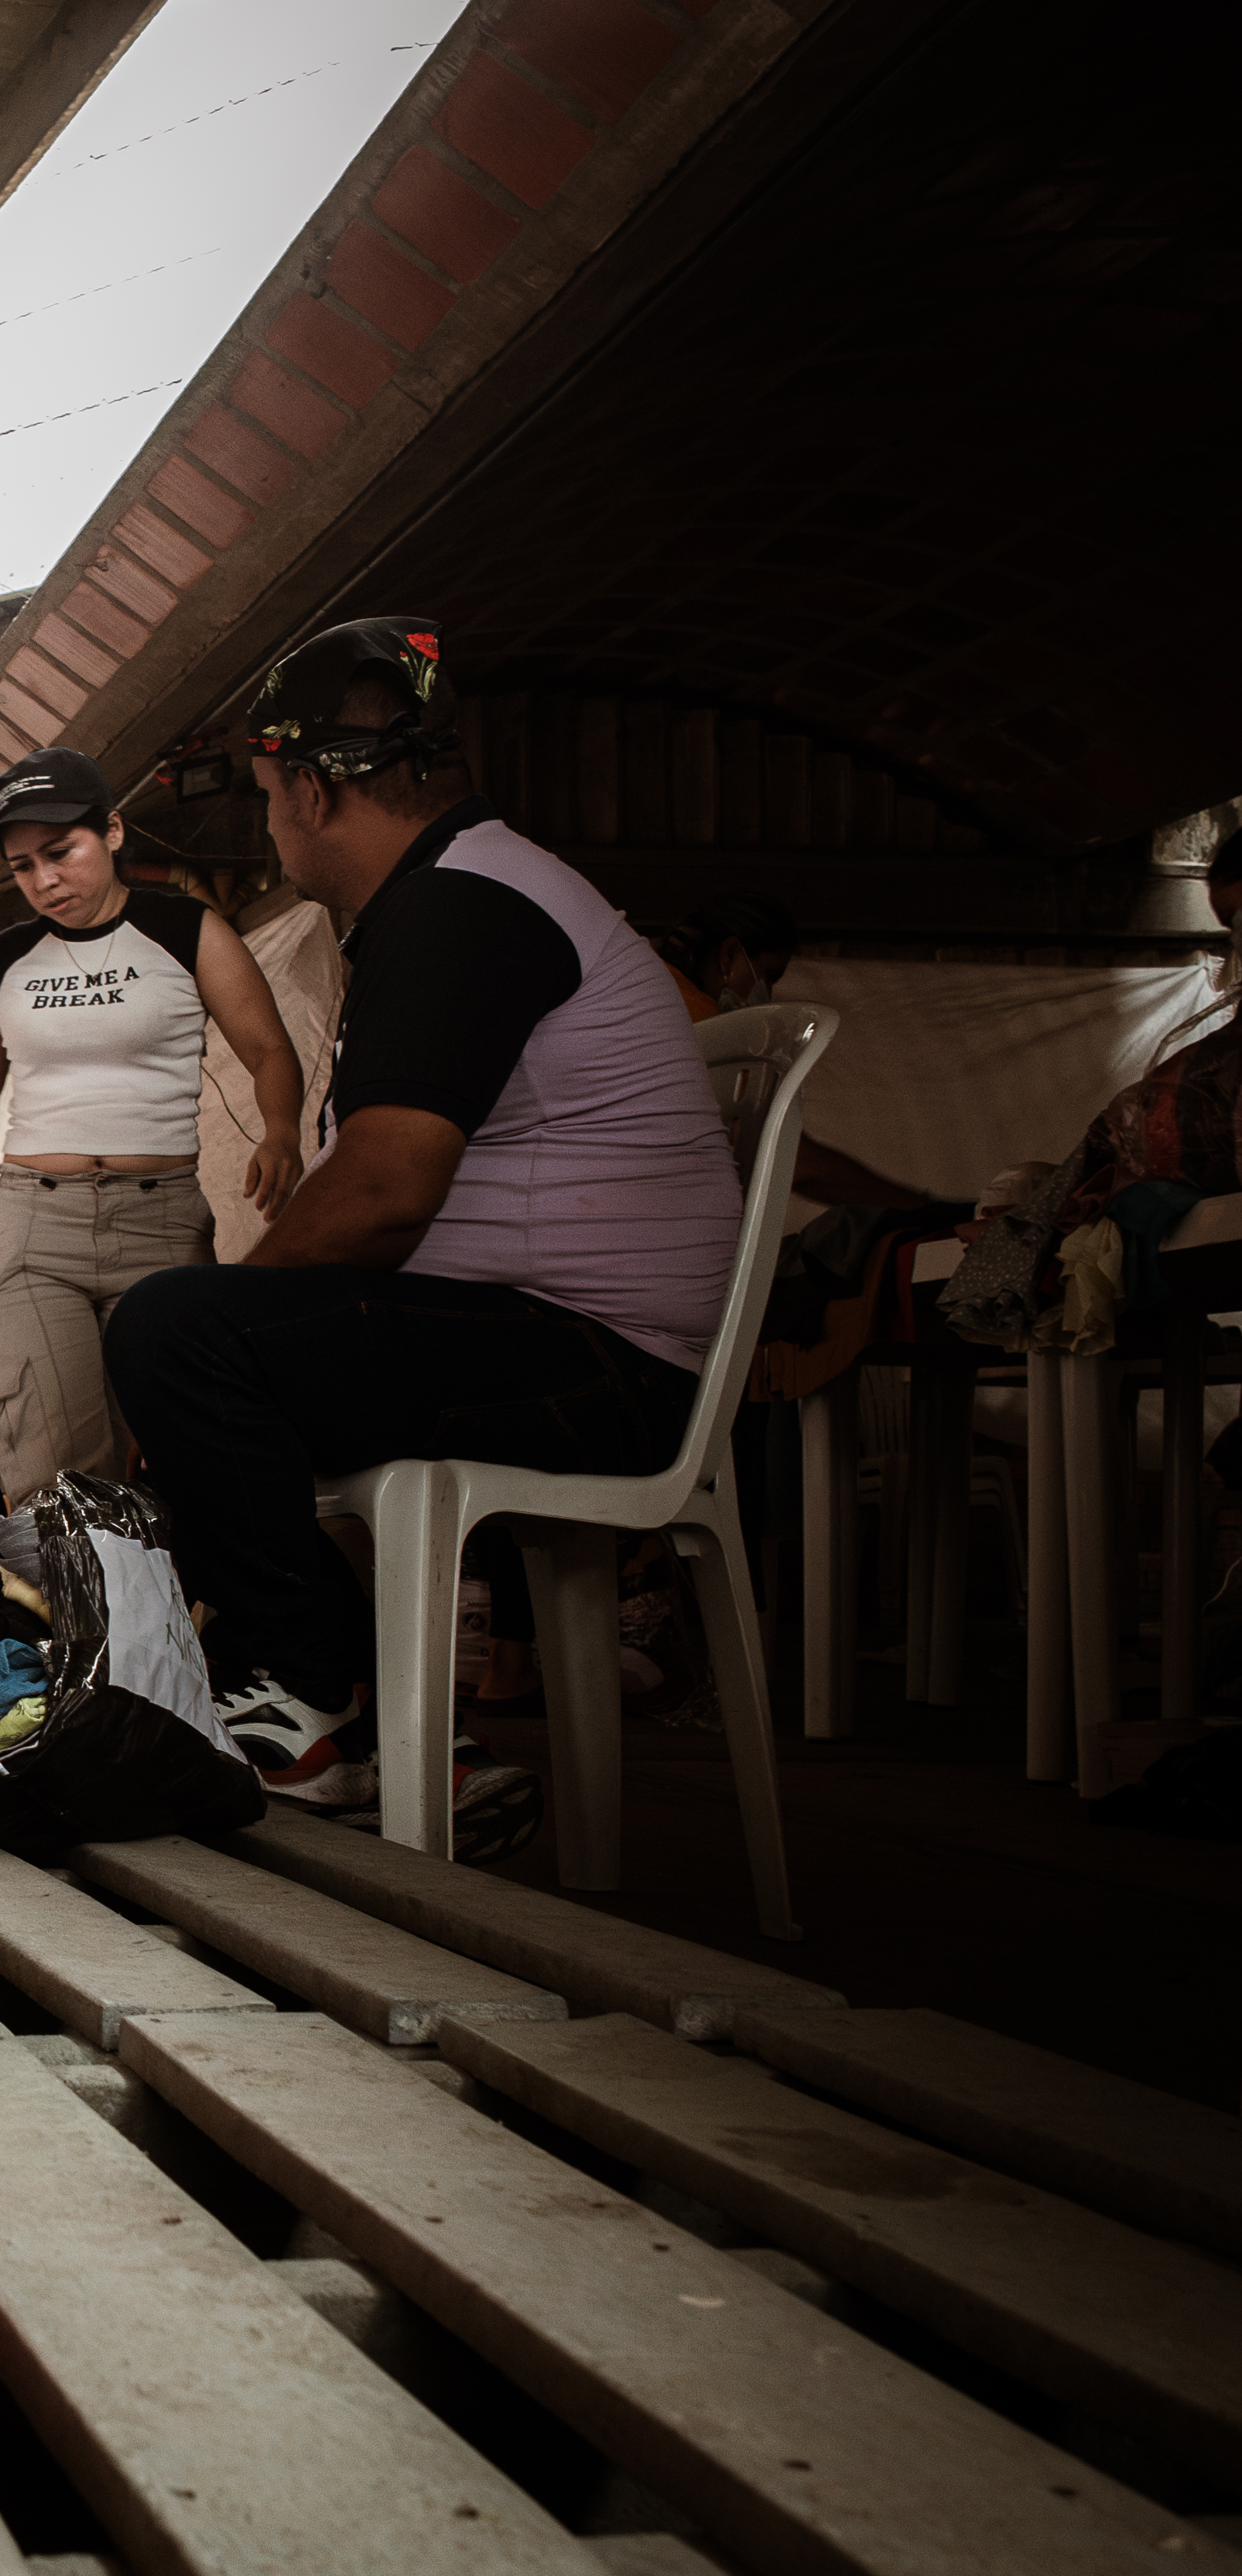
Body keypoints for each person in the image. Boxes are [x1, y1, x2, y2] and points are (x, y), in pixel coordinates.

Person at [102, 617, 738, 1798]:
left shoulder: (463, 903)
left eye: (269, 799)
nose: (273, 827)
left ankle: (311, 1695)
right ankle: (390, 1731)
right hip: (563, 1342)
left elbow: (386, 1189)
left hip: (603, 1366)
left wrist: (218, 1329)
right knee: (203, 1377)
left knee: (174, 1330)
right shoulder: (462, 890)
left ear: (311, 789)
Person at [0, 748, 305, 1505]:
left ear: (110, 831)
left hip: (160, 1225)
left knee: (171, 1451)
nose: (44, 880)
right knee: (52, 1466)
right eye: (22, 866)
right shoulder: (2, 960)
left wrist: (281, 1131)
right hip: (31, 1224)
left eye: (60, 852)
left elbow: (269, 1048)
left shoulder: (186, 929)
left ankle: (169, 1588)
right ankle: (77, 1590)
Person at [653, 896, 929, 1209]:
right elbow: (795, 1163)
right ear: (729, 955)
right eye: (769, 975)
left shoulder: (647, 993)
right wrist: (922, 1208)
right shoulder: (703, 1027)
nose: (767, 993)